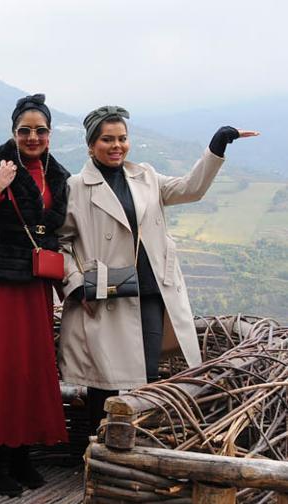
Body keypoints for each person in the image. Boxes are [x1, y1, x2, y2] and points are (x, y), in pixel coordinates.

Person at [57, 106, 259, 433]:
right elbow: (60, 242)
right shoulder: (76, 188)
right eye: (107, 139)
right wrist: (76, 284)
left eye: (122, 138)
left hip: (149, 291)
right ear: (91, 144)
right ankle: (95, 453)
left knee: (148, 376)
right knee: (103, 380)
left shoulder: (146, 177)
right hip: (105, 293)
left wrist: (217, 146)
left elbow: (189, 189)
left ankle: (137, 447)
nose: (116, 146)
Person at [0, 94, 70, 497]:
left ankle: (20, 456)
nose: (33, 137)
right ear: (13, 133)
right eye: (25, 130)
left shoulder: (57, 175)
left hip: (34, 283)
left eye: (40, 130)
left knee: (31, 369)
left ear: (50, 134)